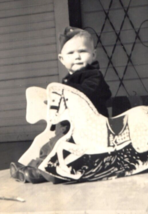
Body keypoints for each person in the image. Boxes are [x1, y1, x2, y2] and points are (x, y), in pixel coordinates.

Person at [10, 26, 111, 183]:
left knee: (59, 147)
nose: (77, 56)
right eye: (70, 53)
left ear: (93, 55)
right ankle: (31, 166)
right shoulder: (69, 79)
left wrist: (63, 93)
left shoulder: (94, 76)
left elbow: (84, 93)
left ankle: (40, 173)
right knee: (48, 145)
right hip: (71, 128)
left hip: (91, 128)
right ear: (62, 59)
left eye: (82, 51)